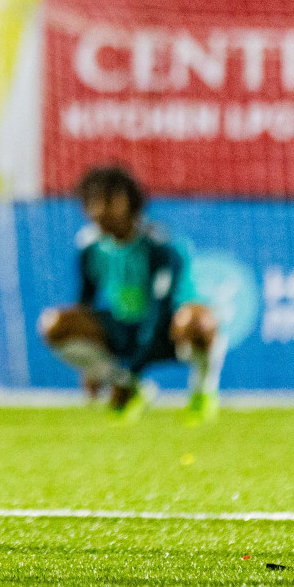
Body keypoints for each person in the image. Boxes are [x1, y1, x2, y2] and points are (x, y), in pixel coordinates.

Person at [39, 165, 224, 425]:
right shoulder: (90, 247)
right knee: (56, 324)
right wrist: (94, 370)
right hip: (123, 327)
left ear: (128, 203)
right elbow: (86, 303)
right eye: (92, 202)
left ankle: (203, 394)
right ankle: (127, 388)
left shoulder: (159, 246)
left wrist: (134, 368)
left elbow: (160, 310)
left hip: (169, 330)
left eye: (106, 201)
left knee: (200, 320)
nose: (98, 211)